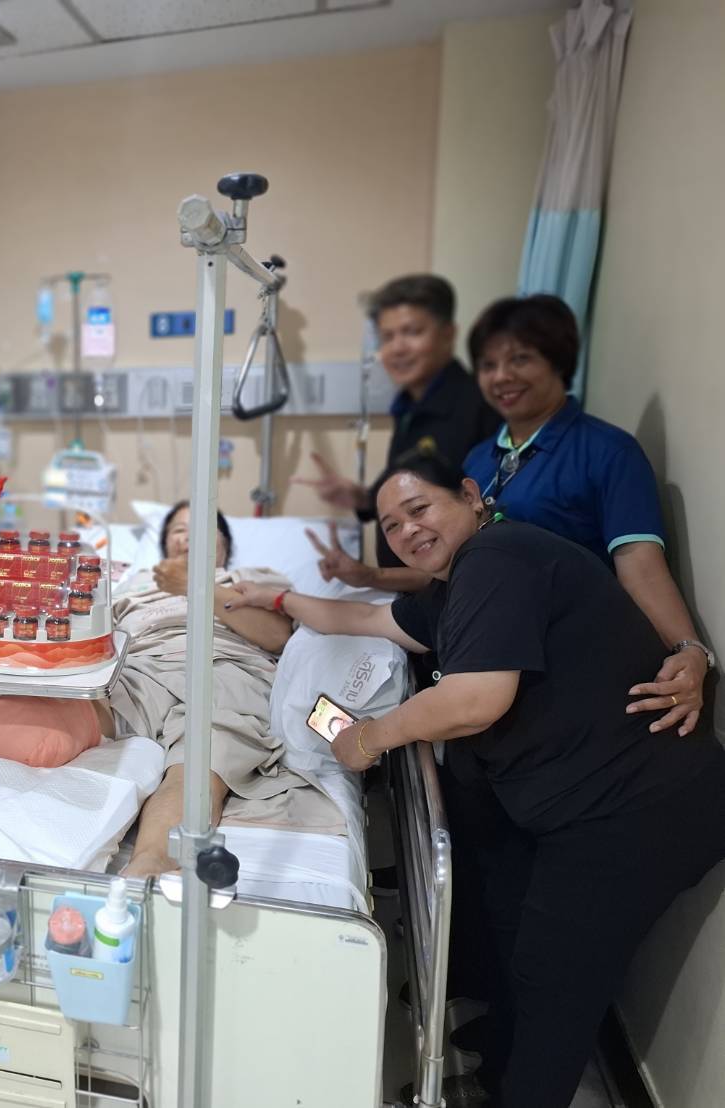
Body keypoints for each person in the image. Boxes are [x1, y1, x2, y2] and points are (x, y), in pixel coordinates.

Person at [226, 452, 725, 1107]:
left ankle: (522, 1090)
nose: (407, 530)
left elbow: (475, 699)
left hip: (638, 808)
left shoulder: (498, 558)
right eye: (392, 525)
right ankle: (501, 1062)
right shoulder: (457, 584)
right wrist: (275, 598)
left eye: (419, 509)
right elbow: (365, 620)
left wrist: (367, 737)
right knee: (524, 942)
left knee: (554, 976)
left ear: (469, 495)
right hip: (593, 799)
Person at [462, 294, 712, 736]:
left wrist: (689, 649)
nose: (501, 376)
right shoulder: (479, 460)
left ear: (558, 360)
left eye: (520, 359)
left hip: (569, 663)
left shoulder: (608, 452)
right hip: (487, 654)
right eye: (488, 364)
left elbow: (640, 567)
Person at [109, 502, 342, 878]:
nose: (189, 537)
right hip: (142, 665)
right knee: (85, 720)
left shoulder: (252, 577)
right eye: (179, 530)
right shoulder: (135, 581)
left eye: (202, 528)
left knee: (201, 753)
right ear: (165, 545)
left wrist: (197, 585)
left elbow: (276, 635)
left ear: (224, 546)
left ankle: (151, 861)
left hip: (224, 666)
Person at [296, 274, 498, 574]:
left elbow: (474, 524)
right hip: (413, 590)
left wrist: (372, 578)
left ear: (448, 334)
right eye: (387, 337)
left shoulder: (476, 407)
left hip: (459, 586)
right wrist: (361, 498)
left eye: (412, 332)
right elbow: (412, 490)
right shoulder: (409, 407)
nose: (397, 348)